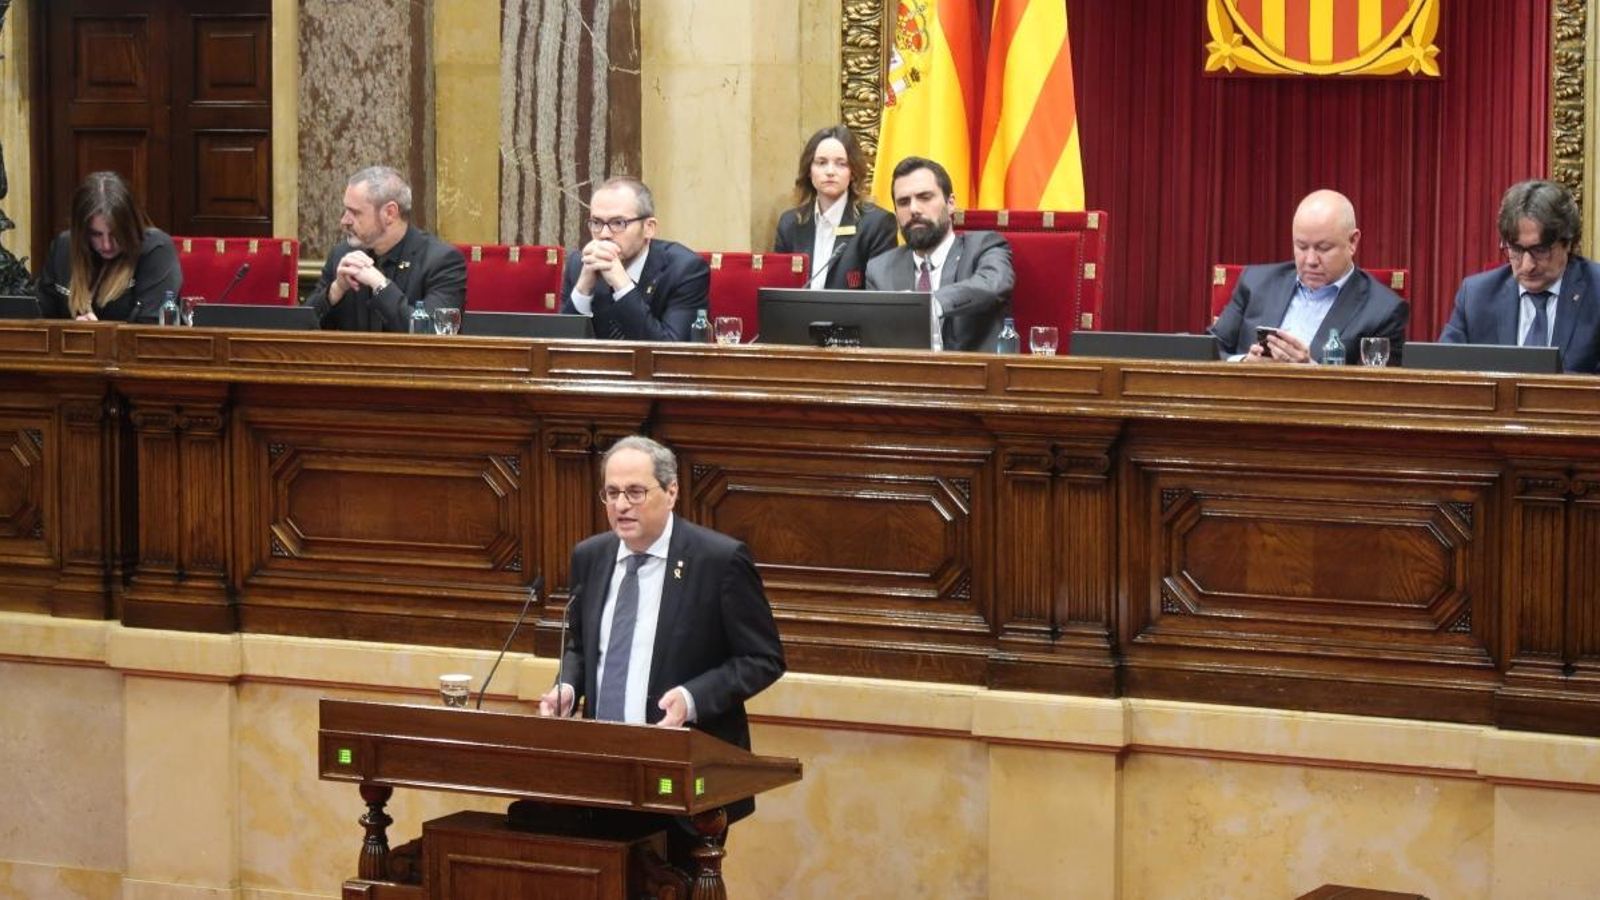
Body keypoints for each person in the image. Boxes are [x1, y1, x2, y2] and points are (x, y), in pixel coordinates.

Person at [538, 435, 784, 836]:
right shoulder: (591, 556)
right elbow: (581, 646)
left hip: (683, 780)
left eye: (635, 492)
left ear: (671, 493)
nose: (621, 505)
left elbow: (763, 658)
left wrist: (692, 698)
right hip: (601, 776)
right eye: (612, 493)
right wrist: (568, 685)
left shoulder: (718, 560)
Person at [1211, 189, 1409, 365]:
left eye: (1323, 248)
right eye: (1302, 247)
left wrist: (1311, 372)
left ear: (1352, 242)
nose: (1311, 260)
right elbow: (1207, 350)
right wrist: (1244, 363)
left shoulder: (1383, 311)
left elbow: (1376, 388)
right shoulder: (1255, 283)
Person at [1438, 179, 1600, 373]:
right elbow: (1444, 374)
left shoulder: (1596, 291)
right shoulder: (1476, 297)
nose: (1527, 265)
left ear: (1568, 243)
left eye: (1540, 250)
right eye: (1516, 249)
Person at [864, 156, 1014, 351]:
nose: (914, 209)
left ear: (950, 203)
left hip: (974, 368)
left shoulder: (984, 246)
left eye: (925, 197)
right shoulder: (879, 269)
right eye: (903, 202)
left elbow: (993, 284)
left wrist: (930, 304)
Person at [305, 166, 467, 332]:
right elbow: (301, 327)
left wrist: (380, 285)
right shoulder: (342, 255)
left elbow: (432, 333)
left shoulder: (441, 261)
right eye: (346, 210)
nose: (344, 221)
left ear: (390, 213)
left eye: (355, 212)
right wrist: (335, 290)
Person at [560, 177, 710, 341]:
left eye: (618, 223)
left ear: (648, 228)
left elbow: (670, 349)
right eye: (596, 222)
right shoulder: (579, 265)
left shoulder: (685, 269)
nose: (604, 234)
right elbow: (556, 348)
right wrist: (583, 289)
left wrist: (623, 286)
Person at [36, 171, 181, 322]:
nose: (106, 245)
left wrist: (99, 332)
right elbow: (40, 314)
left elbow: (151, 327)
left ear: (131, 227)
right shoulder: (64, 247)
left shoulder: (156, 249)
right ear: (82, 232)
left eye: (116, 234)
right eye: (96, 234)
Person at [773, 125, 896, 290]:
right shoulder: (790, 223)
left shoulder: (877, 224)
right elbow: (779, 289)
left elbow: (880, 294)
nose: (830, 171)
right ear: (809, 170)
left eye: (841, 164)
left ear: (853, 172)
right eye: (821, 163)